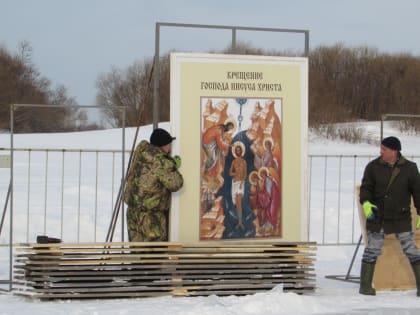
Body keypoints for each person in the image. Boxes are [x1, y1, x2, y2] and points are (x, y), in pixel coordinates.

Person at [359, 136, 420, 296]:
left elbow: (418, 193)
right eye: (381, 148)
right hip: (378, 217)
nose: (381, 151)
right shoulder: (372, 167)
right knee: (372, 249)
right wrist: (366, 203)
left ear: (394, 151)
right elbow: (366, 189)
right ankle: (365, 287)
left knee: (411, 250)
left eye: (384, 149)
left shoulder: (410, 168)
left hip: (401, 217)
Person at [124, 128, 183, 242]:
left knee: (138, 251)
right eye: (169, 144)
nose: (170, 147)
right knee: (154, 252)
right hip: (150, 217)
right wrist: (172, 165)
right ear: (164, 146)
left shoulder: (141, 153)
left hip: (132, 213)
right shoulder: (161, 161)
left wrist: (168, 161)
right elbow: (176, 184)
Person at [229, 141, 247, 229]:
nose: (238, 151)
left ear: (241, 151)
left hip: (240, 183)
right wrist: (234, 174)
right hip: (235, 183)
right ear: (235, 152)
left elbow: (245, 175)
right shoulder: (234, 161)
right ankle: (239, 222)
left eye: (239, 150)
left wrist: (242, 183)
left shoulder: (244, 162)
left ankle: (240, 222)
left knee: (239, 202)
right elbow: (230, 172)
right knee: (237, 204)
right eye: (237, 150)